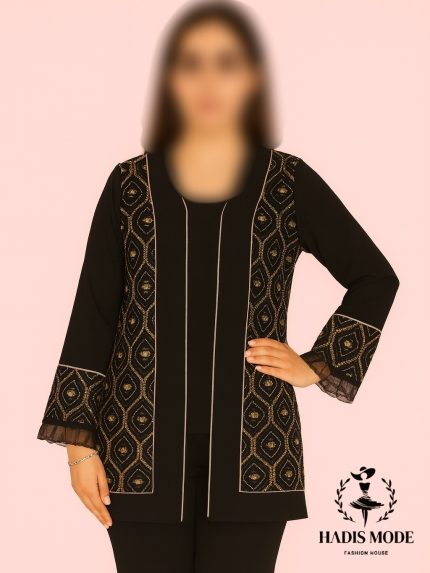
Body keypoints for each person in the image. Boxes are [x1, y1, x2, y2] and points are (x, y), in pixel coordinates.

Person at [36, 1, 400, 572]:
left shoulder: (287, 183)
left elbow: (374, 277)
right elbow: (95, 313)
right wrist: (78, 448)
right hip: (136, 452)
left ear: (250, 79)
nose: (208, 81)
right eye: (191, 64)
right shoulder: (130, 185)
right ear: (171, 80)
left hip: (255, 452)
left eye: (226, 64)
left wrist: (318, 364)